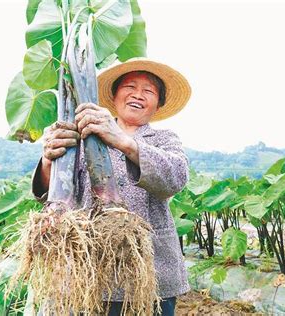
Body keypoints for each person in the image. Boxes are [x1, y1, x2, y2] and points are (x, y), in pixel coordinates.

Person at [31, 58, 192, 315]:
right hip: (85, 272)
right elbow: (49, 193)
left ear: (158, 104)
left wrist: (122, 141)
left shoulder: (163, 139)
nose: (138, 95)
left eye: (148, 91)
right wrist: (50, 159)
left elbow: (175, 178)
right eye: (130, 87)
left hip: (148, 274)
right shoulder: (82, 135)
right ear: (114, 96)